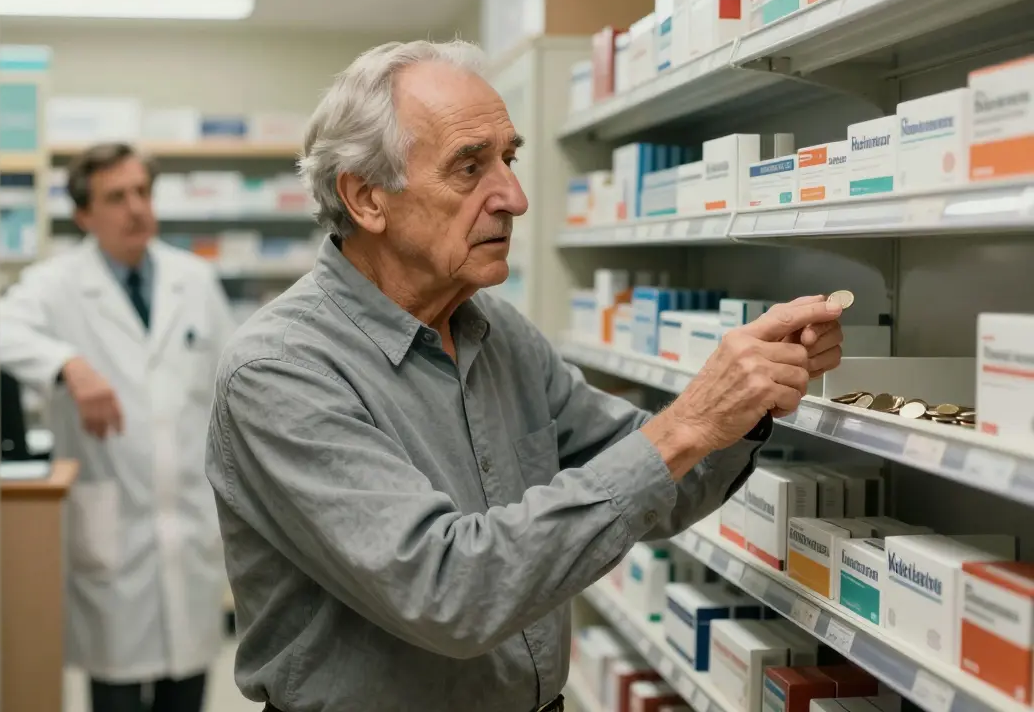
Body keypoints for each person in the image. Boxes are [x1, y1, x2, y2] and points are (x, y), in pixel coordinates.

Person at [205, 41, 845, 712]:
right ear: (367, 198)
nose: (513, 197)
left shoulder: (496, 333)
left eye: (508, 159)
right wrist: (688, 424)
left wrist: (748, 397)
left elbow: (661, 486)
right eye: (469, 167)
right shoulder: (282, 370)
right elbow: (449, 592)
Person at [0, 143, 235, 712]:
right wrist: (68, 366)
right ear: (84, 214)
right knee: (115, 691)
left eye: (142, 192)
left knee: (188, 690)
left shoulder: (195, 280)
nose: (136, 208)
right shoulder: (55, 284)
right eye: (116, 197)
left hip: (188, 526)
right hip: (112, 528)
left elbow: (234, 385)